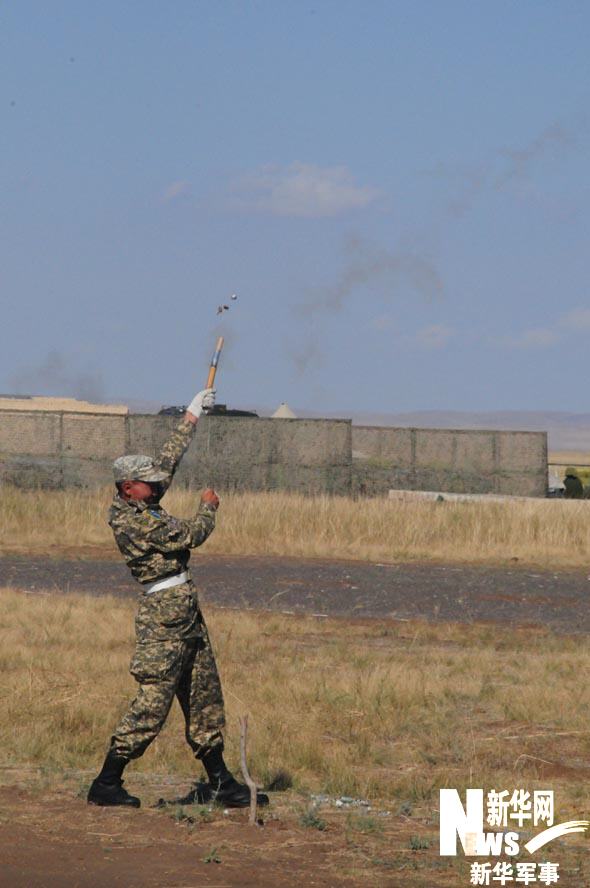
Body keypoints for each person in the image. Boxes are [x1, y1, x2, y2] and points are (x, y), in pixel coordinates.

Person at [87, 387, 269, 809]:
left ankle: (220, 781)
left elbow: (167, 461)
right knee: (153, 702)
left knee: (203, 694)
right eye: (148, 483)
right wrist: (208, 508)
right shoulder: (131, 521)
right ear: (128, 487)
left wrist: (192, 414)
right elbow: (191, 534)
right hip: (163, 619)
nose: (157, 484)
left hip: (185, 611)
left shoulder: (140, 500)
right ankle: (107, 782)